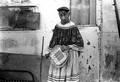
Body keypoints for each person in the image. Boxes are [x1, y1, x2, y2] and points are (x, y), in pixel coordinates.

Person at [47, 6, 84, 82]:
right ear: (58, 15)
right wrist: (49, 52)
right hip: (58, 53)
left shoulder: (73, 27)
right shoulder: (57, 26)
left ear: (69, 14)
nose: (63, 17)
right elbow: (53, 40)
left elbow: (79, 42)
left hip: (70, 54)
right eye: (61, 15)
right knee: (58, 75)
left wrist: (68, 47)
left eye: (65, 15)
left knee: (68, 76)